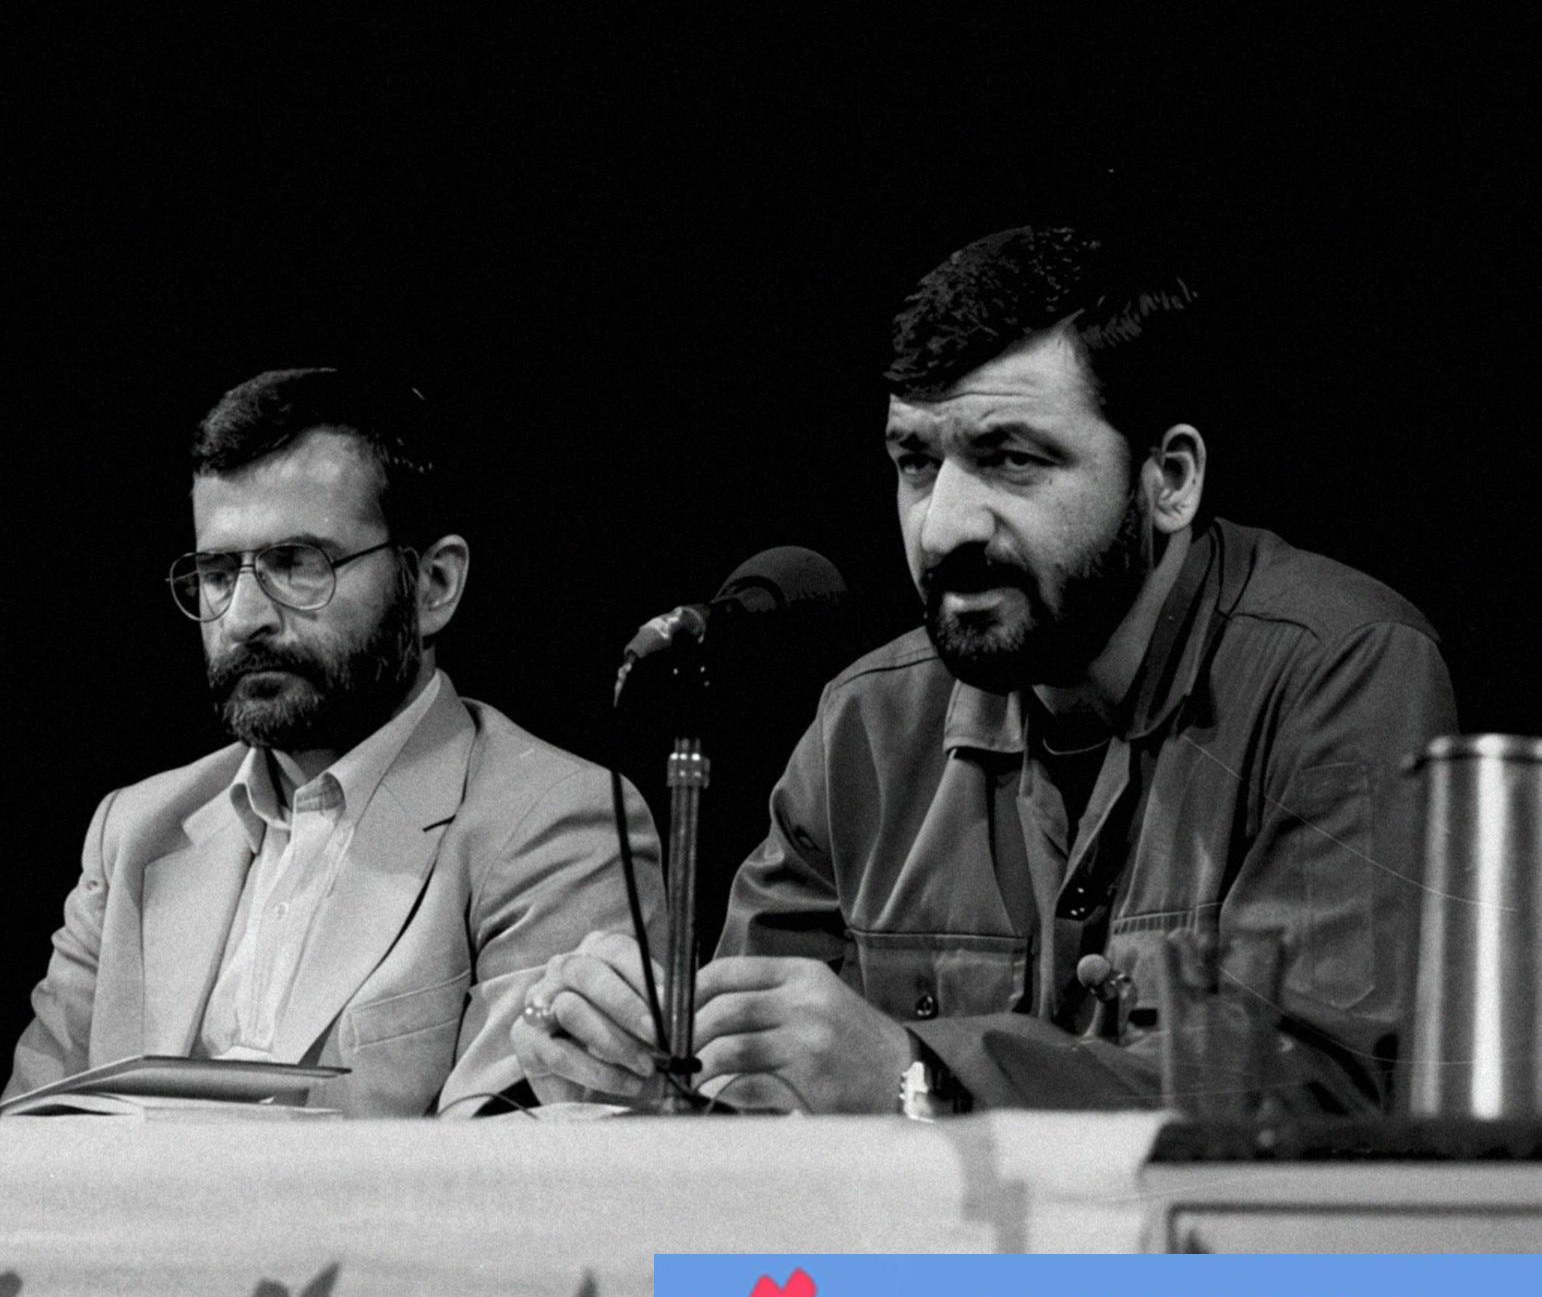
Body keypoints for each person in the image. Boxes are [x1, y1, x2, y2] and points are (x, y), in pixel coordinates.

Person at [513, 226, 1456, 1116]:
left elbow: (1326, 1089)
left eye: (1010, 459)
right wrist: (640, 1062)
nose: (942, 527)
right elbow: (746, 1096)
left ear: (1168, 480)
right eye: (916, 463)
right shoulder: (864, 726)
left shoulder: (1343, 669)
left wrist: (921, 1077)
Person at [2, 368, 658, 1117]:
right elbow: (20, 1138)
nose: (243, 616)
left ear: (434, 585)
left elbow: (519, 1162)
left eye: (296, 564)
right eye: (217, 572)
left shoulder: (555, 822)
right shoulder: (133, 830)